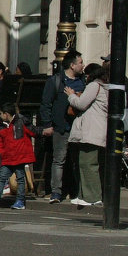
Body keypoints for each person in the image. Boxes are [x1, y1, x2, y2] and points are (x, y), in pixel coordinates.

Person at [38, 51, 86, 204]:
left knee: (77, 161)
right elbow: (46, 104)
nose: (83, 65)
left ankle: (76, 191)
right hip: (61, 127)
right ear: (72, 65)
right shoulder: (56, 81)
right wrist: (48, 124)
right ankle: (56, 192)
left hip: (79, 128)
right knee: (59, 160)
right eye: (80, 62)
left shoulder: (83, 81)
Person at [66, 63, 108, 207]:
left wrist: (71, 96)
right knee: (91, 164)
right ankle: (84, 195)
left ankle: (92, 197)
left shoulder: (94, 86)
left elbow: (81, 104)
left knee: (87, 164)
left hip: (91, 131)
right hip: (99, 131)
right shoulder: (104, 87)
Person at [0, 105, 36, 209]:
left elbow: (33, 132)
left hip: (19, 157)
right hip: (8, 157)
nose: (0, 116)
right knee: (2, 178)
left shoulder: (20, 122)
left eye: (1, 114)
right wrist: (1, 154)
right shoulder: (3, 125)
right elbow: (0, 143)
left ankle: (20, 201)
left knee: (20, 178)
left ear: (6, 114)